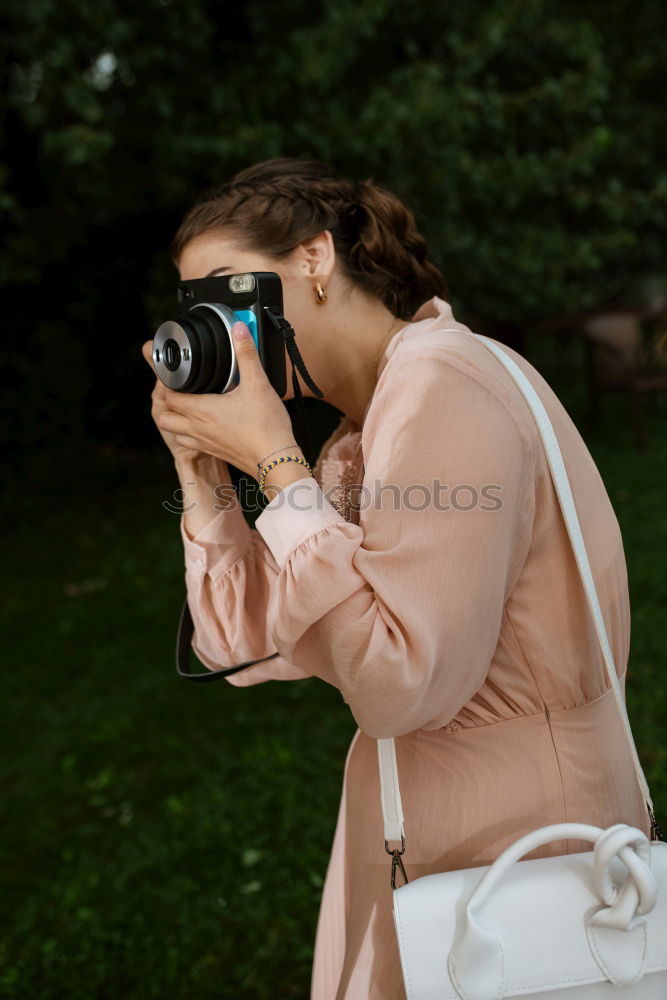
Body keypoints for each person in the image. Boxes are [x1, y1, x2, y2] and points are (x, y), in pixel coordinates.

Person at [142, 157, 652, 1000]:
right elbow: (238, 641)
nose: (219, 327)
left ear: (313, 258)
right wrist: (200, 467)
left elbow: (399, 686)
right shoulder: (358, 435)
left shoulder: (443, 383)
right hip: (422, 832)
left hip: (515, 846)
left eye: (231, 294)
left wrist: (274, 460)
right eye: (198, 308)